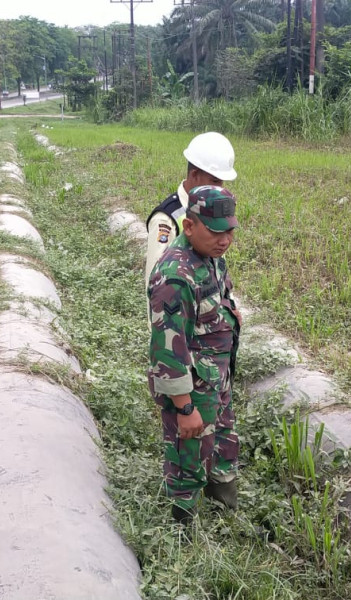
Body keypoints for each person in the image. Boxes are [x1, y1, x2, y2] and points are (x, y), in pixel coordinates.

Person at [147, 185, 242, 525]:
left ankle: (224, 512)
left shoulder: (212, 258)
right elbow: (167, 352)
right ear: (189, 227)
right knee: (188, 455)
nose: (225, 239)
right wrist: (184, 408)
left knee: (223, 444)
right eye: (216, 232)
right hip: (191, 387)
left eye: (230, 230)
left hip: (215, 378)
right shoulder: (175, 277)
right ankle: (183, 531)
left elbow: (222, 300)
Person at [144, 132, 237, 285]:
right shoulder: (167, 218)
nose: (219, 189)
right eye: (214, 181)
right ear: (194, 175)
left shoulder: (214, 211)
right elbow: (155, 283)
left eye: (221, 182)